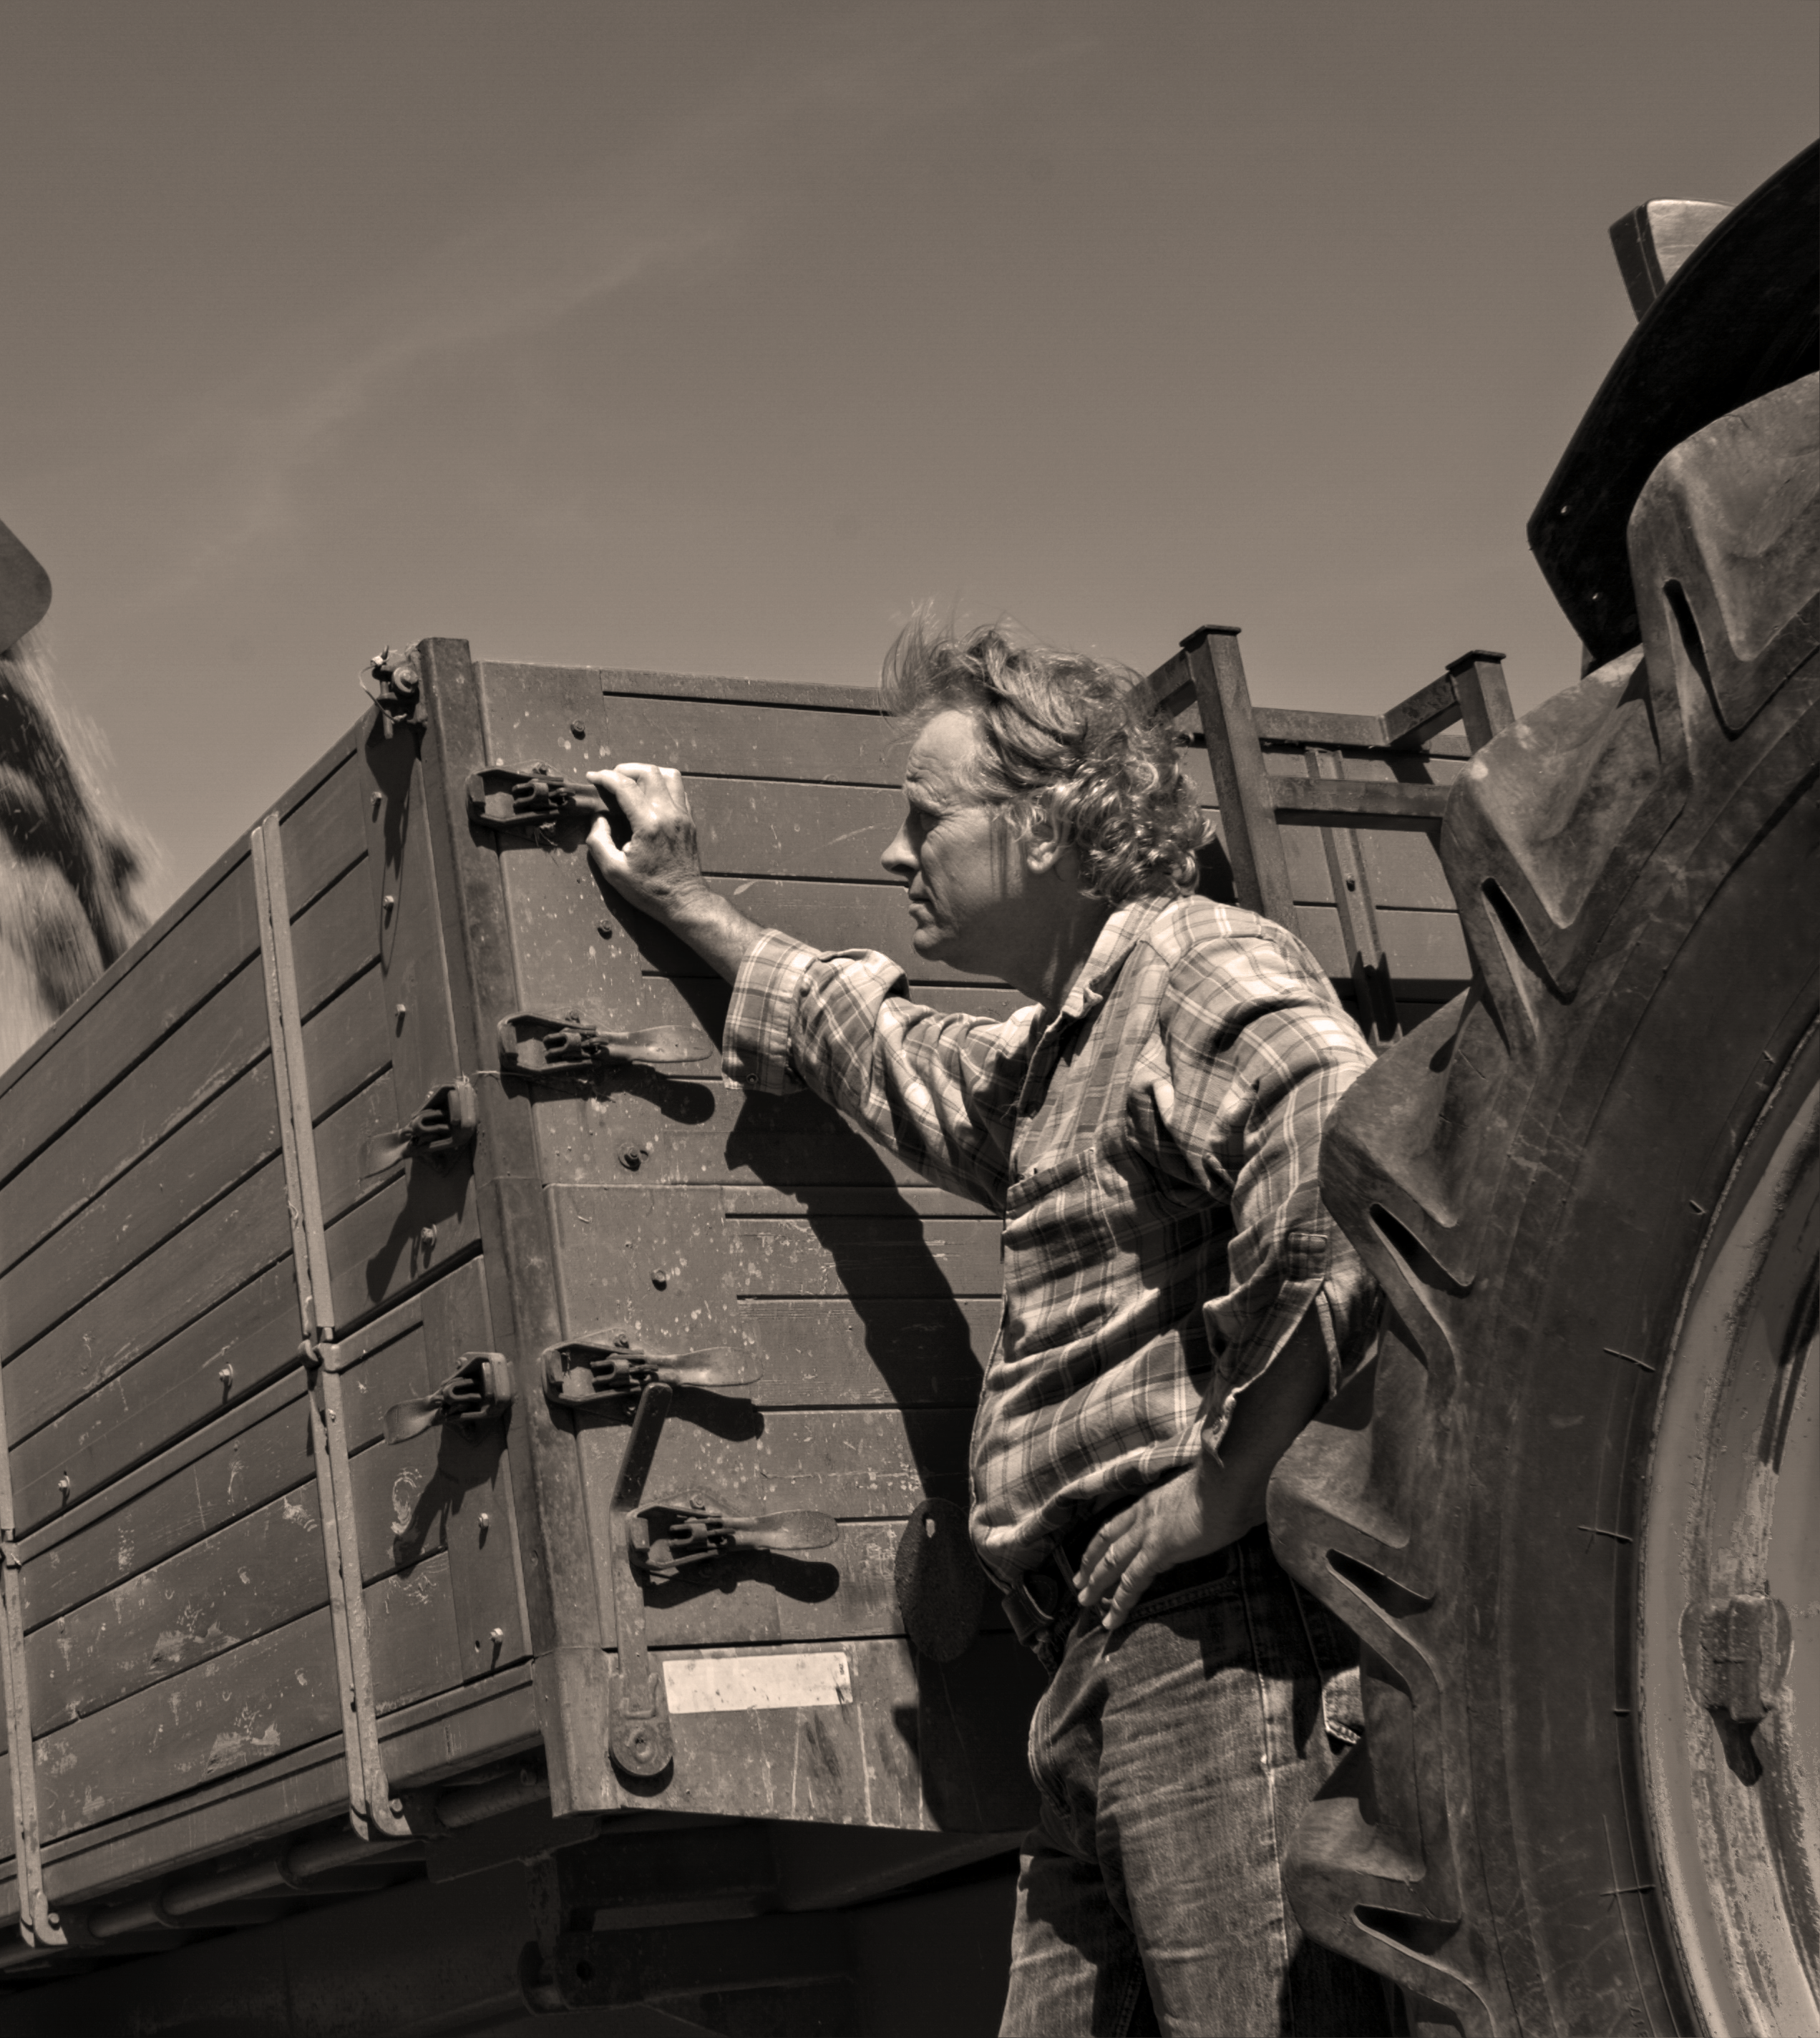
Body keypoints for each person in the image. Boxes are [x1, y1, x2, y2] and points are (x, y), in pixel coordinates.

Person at [584, 621, 1395, 2037]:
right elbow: (873, 1043)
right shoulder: (1055, 1058)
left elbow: (1353, 1174)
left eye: (922, 821)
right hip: (1100, 1656)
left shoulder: (1194, 969)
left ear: (1045, 827)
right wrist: (683, 898)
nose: (896, 858)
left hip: (1214, 1642)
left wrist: (1224, 1480)